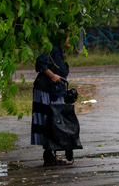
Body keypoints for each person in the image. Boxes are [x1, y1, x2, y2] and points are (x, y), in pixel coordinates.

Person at [31, 36, 82, 165]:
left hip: (56, 91)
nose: (70, 41)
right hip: (45, 91)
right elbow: (40, 62)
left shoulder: (61, 53)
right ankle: (49, 154)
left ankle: (55, 152)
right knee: (49, 121)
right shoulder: (52, 50)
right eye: (67, 38)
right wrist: (52, 75)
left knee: (57, 121)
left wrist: (65, 93)